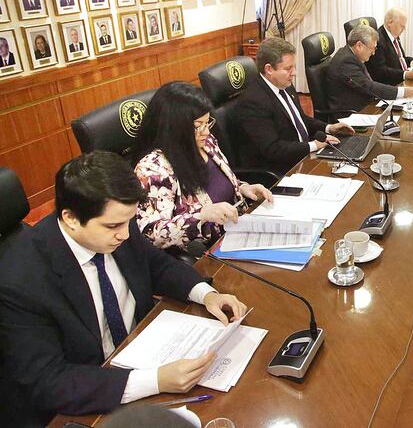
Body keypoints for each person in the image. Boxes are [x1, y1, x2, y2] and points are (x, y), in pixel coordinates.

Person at [0, 150, 248, 426]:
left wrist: (206, 294)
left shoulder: (114, 227)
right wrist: (155, 380)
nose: (126, 234)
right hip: (87, 399)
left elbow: (155, 264)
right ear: (70, 218)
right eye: (114, 226)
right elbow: (49, 381)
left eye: (129, 221)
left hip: (141, 350)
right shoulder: (19, 282)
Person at [133, 82, 273, 251]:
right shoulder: (153, 168)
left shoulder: (206, 141)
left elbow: (219, 183)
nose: (206, 132)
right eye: (198, 126)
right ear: (174, 126)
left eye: (207, 123)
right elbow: (151, 234)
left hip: (238, 229)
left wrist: (243, 188)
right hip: (208, 249)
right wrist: (201, 216)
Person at [233, 37, 356, 175]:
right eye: (288, 68)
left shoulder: (285, 85)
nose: (294, 73)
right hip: (283, 170)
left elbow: (300, 119)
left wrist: (328, 128)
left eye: (294, 67)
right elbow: (273, 149)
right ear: (269, 69)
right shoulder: (253, 101)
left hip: (303, 156)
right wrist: (314, 145)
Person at [326, 25, 413, 112]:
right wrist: (404, 92)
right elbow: (368, 87)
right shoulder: (346, 62)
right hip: (351, 113)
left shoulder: (351, 55)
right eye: (372, 48)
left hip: (364, 105)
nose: (373, 53)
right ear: (359, 46)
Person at [365, 8, 413, 85]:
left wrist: (411, 61)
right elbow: (380, 71)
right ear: (390, 22)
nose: (404, 29)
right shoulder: (378, 40)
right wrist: (405, 74)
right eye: (402, 26)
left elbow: (398, 60)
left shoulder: (393, 36)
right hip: (390, 86)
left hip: (401, 82)